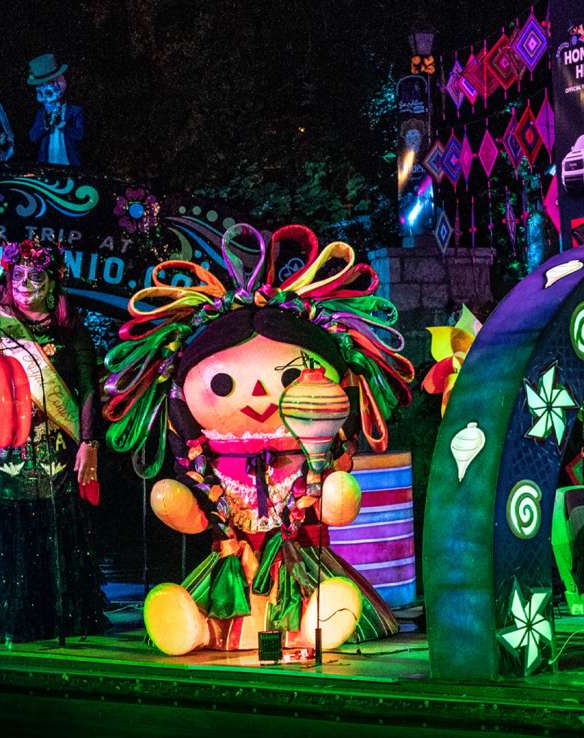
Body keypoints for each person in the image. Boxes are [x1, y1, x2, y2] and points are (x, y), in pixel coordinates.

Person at [104, 224, 414, 655]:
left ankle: (315, 625)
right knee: (212, 597)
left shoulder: (312, 453)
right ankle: (195, 630)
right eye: (223, 383)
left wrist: (334, 496)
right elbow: (196, 513)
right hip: (231, 556)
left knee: (320, 591)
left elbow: (333, 505)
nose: (257, 395)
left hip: (297, 556)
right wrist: (177, 504)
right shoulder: (207, 459)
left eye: (289, 377)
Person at [0, 239, 107, 644]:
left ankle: (62, 616)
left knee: (56, 531)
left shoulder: (71, 331)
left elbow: (88, 388)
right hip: (10, 449)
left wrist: (89, 441)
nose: (25, 284)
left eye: (36, 276)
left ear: (53, 283)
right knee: (11, 533)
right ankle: (2, 617)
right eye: (18, 276)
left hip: (57, 447)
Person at [27, 53, 83, 166]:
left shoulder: (75, 111)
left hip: (70, 164)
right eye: (41, 86)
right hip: (47, 165)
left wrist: (63, 126)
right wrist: (45, 126)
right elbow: (32, 138)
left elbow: (80, 136)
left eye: (51, 83)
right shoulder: (41, 113)